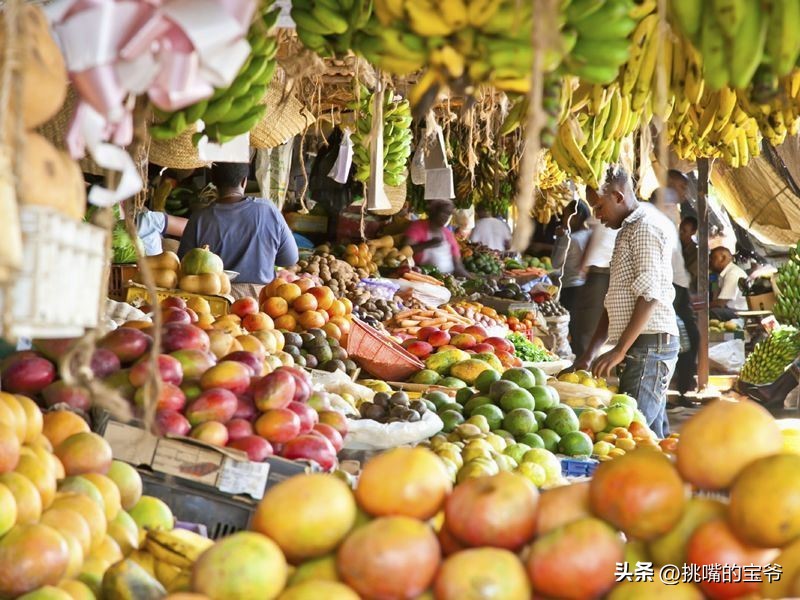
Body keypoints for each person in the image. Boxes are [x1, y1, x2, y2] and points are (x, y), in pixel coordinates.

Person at [573, 167, 679, 438]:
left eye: (599, 207)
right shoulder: (626, 229)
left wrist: (620, 350)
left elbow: (650, 294)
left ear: (618, 197)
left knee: (629, 434)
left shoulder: (645, 228)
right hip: (642, 346)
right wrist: (588, 354)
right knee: (647, 433)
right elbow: (617, 300)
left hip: (649, 347)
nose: (596, 215)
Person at [178, 162, 299, 299]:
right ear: (244, 181)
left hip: (213, 303)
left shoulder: (199, 218)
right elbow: (290, 258)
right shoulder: (268, 210)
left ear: (214, 182)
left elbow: (184, 267)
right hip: (262, 305)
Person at [551, 200, 591, 356]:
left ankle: (577, 365)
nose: (563, 219)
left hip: (571, 289)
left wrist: (561, 239)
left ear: (577, 215)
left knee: (572, 330)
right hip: (588, 288)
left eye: (566, 215)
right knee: (582, 331)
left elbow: (556, 263)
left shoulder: (571, 239)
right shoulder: (591, 235)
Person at [403, 199, 470, 276]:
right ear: (434, 211)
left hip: (446, 278)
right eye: (444, 212)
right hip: (422, 276)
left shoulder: (448, 234)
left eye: (448, 214)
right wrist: (429, 244)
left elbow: (458, 265)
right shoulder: (418, 227)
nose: (446, 217)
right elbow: (405, 251)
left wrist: (472, 279)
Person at [710, 246, 748, 319]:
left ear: (723, 258)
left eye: (713, 258)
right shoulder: (720, 274)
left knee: (713, 312)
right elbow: (715, 293)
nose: (710, 261)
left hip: (739, 311)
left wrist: (703, 307)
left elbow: (720, 303)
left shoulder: (733, 273)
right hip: (729, 308)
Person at [679, 215, 698, 291]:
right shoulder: (675, 246)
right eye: (680, 229)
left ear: (693, 232)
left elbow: (689, 277)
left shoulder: (696, 254)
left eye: (684, 231)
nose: (680, 232)